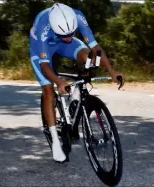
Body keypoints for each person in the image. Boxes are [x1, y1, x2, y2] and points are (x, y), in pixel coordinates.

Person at [29, 3, 124, 162]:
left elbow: (95, 47)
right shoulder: (43, 25)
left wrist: (112, 71)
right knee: (48, 90)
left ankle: (78, 92)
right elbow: (45, 65)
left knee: (91, 58)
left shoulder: (77, 16)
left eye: (71, 33)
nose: (68, 37)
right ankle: (55, 142)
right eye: (64, 34)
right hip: (41, 48)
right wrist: (58, 81)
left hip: (66, 45)